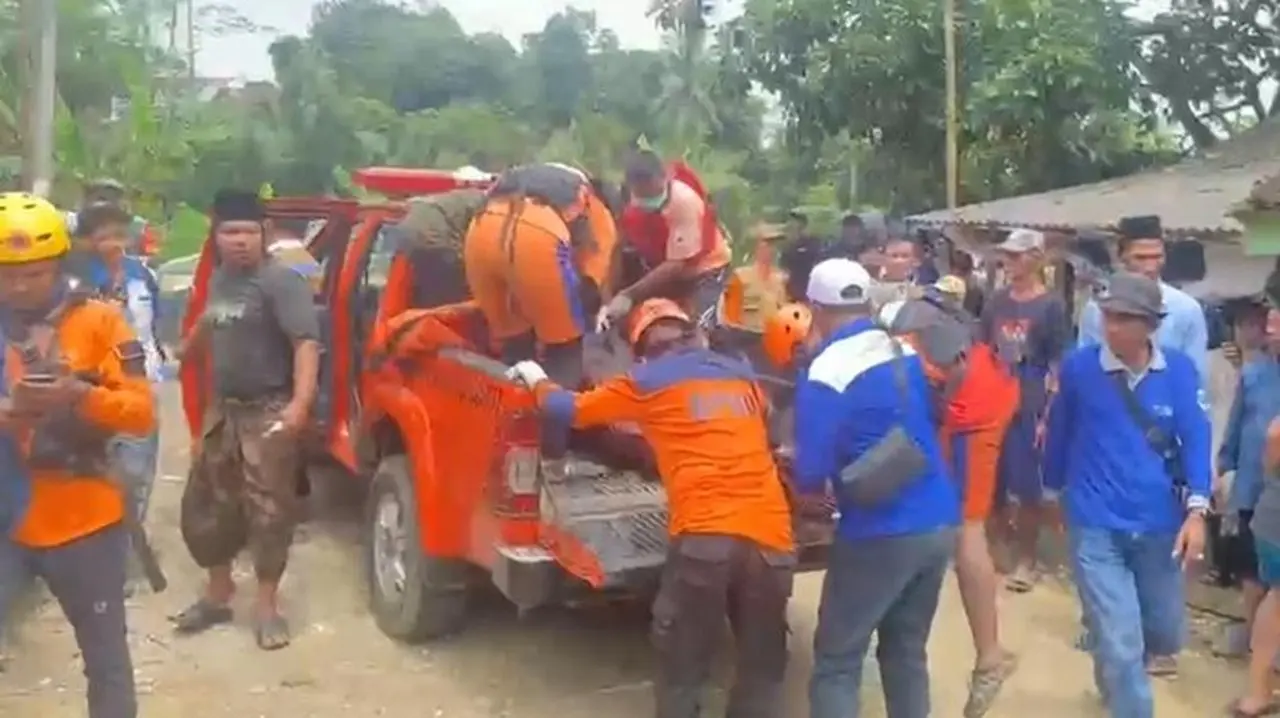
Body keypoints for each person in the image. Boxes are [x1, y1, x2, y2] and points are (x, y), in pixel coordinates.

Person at [506, 298, 794, 718]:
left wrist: (536, 378)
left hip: (705, 538)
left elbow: (568, 410)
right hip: (772, 540)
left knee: (683, 656)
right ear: (694, 333)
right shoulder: (742, 377)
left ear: (642, 348)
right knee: (762, 661)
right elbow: (766, 428)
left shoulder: (646, 380)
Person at [0, 191, 156, 717]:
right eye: (6, 273)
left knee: (106, 662)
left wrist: (80, 395)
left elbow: (140, 414)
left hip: (83, 518)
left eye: (32, 273)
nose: (18, 286)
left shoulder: (101, 321)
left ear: (59, 264)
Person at [791, 258, 959, 718]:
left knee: (838, 659)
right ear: (867, 303)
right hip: (938, 519)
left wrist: (806, 499)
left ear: (813, 308)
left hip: (879, 531)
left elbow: (810, 471)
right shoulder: (901, 352)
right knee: (906, 650)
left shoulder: (827, 370)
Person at [1043, 271, 1210, 718]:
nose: (1111, 326)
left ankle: (1115, 683)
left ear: (1150, 325)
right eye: (1108, 316)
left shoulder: (1178, 370)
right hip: (1095, 521)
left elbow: (1196, 438)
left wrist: (1197, 512)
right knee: (1120, 639)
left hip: (1160, 525)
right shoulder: (1079, 369)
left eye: (1124, 318)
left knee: (1162, 632)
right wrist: (1051, 491)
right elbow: (1058, 432)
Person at [173, 189, 321, 650]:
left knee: (270, 512)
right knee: (207, 505)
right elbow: (210, 321)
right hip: (224, 410)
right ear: (216, 237)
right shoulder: (220, 281)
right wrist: (187, 349)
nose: (239, 240)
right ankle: (218, 594)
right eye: (229, 232)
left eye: (248, 232)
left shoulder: (282, 282)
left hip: (268, 410)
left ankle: (267, 606)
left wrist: (299, 405)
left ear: (265, 234)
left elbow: (306, 346)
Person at [881, 291, 1021, 718]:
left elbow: (950, 369)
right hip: (973, 399)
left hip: (973, 412)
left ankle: (989, 659)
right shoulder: (917, 318)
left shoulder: (914, 326)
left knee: (967, 528)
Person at [464, 163, 616, 389]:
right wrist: (582, 316)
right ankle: (554, 414)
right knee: (564, 348)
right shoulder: (596, 207)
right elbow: (592, 277)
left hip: (481, 228)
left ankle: (506, 411)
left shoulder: (535, 175)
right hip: (537, 235)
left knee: (514, 340)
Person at [70, 203, 165, 565]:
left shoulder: (141, 274)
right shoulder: (76, 279)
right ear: (88, 240)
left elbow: (152, 323)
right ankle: (93, 550)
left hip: (141, 385)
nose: (113, 243)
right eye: (103, 235)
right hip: (93, 388)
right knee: (95, 472)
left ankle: (123, 555)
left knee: (137, 474)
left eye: (119, 234)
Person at [980, 228, 1071, 594]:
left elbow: (1058, 360)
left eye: (1018, 256)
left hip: (1030, 393)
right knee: (990, 477)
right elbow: (983, 348)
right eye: (1008, 255)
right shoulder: (996, 302)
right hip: (994, 389)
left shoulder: (1051, 306)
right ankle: (994, 546)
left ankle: (1027, 558)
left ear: (1037, 258)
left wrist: (1049, 412)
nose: (1011, 262)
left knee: (1028, 483)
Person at [603, 150, 733, 332]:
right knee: (648, 322)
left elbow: (676, 264)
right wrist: (607, 297)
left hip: (705, 268)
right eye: (642, 196)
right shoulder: (627, 199)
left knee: (700, 328)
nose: (647, 201)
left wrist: (629, 294)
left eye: (652, 194)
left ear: (664, 178)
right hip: (663, 265)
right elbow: (618, 246)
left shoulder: (685, 202)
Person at [1215, 299, 1280, 661]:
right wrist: (1221, 469)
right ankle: (1257, 643)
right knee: (1252, 573)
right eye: (1268, 325)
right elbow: (1236, 429)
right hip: (1253, 489)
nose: (1270, 332)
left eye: (1276, 324)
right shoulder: (1254, 374)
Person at [1077, 215, 1208, 383]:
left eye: (1156, 257)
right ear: (1122, 257)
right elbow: (1086, 370)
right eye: (1140, 258)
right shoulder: (1096, 308)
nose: (1150, 267)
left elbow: (1196, 376)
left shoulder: (1187, 309)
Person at [1230, 295, 1280, 716]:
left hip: (1271, 497)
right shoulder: (1255, 375)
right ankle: (1258, 675)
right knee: (1262, 585)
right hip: (1263, 495)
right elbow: (1260, 435)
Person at [67, 178, 161, 258]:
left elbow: (151, 258)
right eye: (100, 198)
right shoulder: (71, 222)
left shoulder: (139, 226)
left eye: (111, 197)